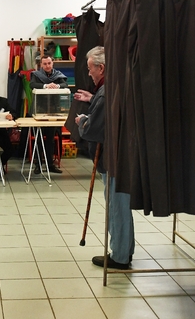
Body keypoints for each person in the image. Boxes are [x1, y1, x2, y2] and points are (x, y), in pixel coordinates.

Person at [74, 46, 135, 270]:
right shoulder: (115, 85)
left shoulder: (106, 90)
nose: (89, 73)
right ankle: (124, 250)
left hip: (113, 158)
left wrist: (82, 122)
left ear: (101, 68)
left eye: (91, 69)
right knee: (122, 205)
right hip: (123, 155)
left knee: (117, 206)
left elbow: (94, 129)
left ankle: (119, 256)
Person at [29, 54, 67, 174]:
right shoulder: (36, 75)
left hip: (53, 111)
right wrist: (46, 86)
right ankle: (38, 165)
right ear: (41, 65)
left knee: (50, 139)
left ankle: (50, 164)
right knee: (39, 139)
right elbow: (32, 85)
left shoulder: (58, 75)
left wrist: (57, 86)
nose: (47, 66)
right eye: (44, 64)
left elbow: (65, 85)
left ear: (52, 63)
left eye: (49, 63)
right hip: (39, 110)